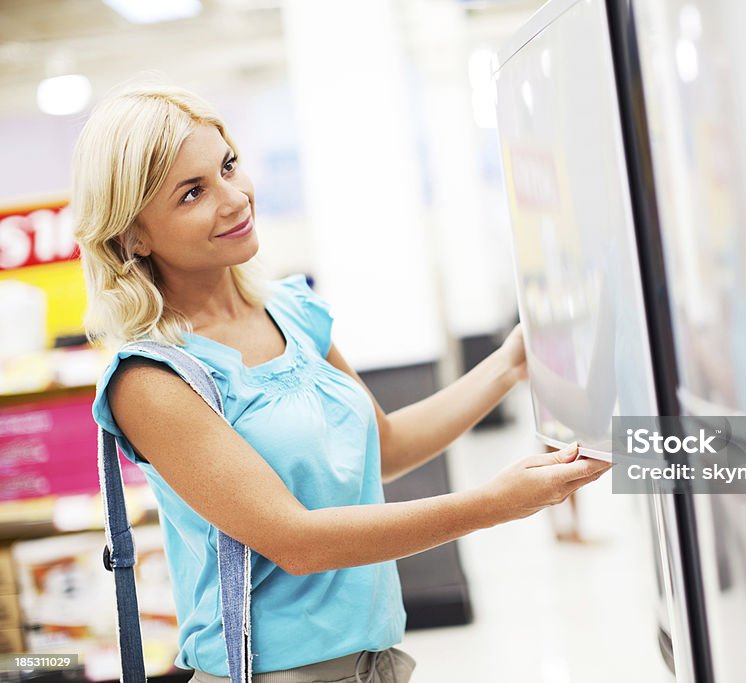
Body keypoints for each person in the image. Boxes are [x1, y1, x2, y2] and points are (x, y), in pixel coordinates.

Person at [72, 85, 612, 683]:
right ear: (133, 236)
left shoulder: (293, 311)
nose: (234, 199)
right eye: (192, 193)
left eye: (228, 166)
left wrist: (510, 364)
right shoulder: (154, 377)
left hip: (375, 664)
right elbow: (297, 543)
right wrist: (493, 505)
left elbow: (388, 446)